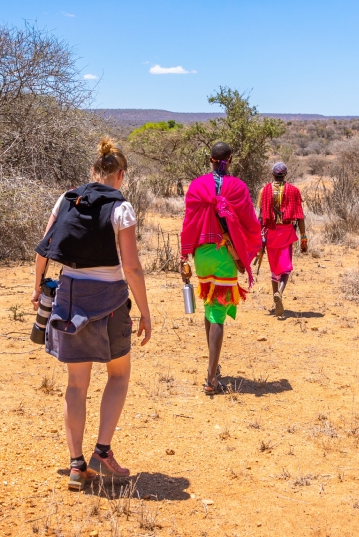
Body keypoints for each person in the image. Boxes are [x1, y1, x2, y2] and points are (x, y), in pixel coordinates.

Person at [32, 138, 153, 490]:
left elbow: (44, 249)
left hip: (70, 300)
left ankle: (75, 465)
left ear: (92, 171)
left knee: (75, 384)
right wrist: (145, 312)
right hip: (111, 302)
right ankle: (102, 452)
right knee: (118, 375)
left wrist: (36, 287)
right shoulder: (122, 209)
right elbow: (131, 268)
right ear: (121, 175)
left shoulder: (67, 198)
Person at [179, 142, 262, 395]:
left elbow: (189, 222)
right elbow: (248, 221)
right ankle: (211, 380)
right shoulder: (237, 187)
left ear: (210, 159)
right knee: (217, 314)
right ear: (230, 159)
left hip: (202, 253)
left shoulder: (197, 186)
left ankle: (213, 367)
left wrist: (184, 254)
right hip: (225, 252)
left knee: (209, 307)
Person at [258, 161, 307, 318]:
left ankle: (275, 299)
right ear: (285, 174)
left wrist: (259, 238)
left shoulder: (264, 191)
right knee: (285, 267)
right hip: (286, 232)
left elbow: (260, 216)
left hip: (270, 233)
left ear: (273, 174)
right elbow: (299, 217)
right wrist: (304, 238)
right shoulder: (294, 191)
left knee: (274, 267)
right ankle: (279, 292)